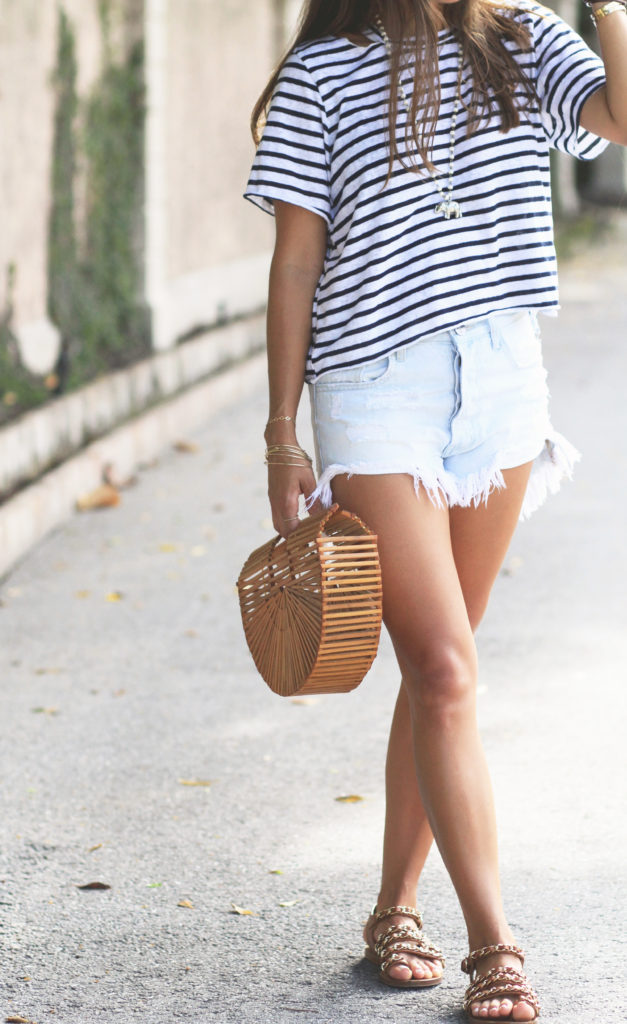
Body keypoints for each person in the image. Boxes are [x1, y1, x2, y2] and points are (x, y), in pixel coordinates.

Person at [244, 1, 627, 1020]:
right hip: (372, 391)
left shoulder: (524, 40)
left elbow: (622, 122)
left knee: (437, 668)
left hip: (499, 382)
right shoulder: (322, 73)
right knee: (448, 668)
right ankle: (492, 943)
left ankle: (390, 909)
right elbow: (293, 257)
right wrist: (283, 434)